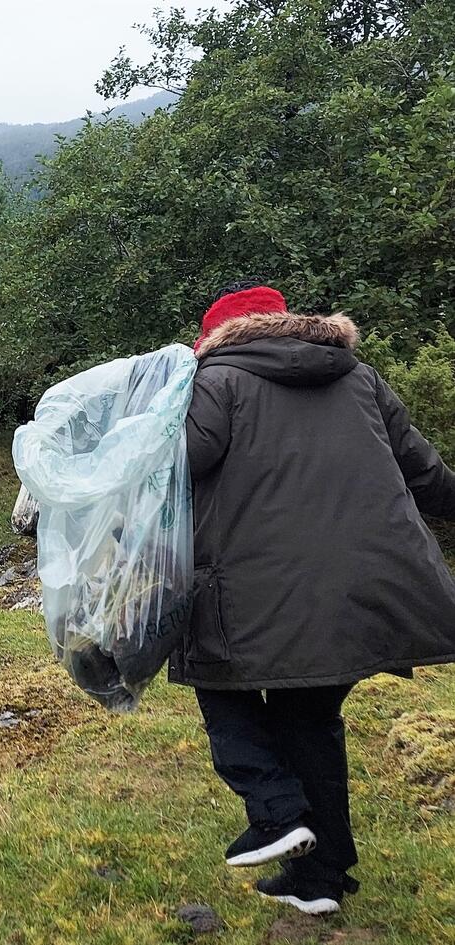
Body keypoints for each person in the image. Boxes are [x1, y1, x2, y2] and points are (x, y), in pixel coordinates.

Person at [174, 281, 455, 916]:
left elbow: (183, 460)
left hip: (256, 591)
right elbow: (425, 473)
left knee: (217, 679)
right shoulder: (360, 378)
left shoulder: (216, 382)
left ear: (215, 339)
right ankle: (322, 876)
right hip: (364, 591)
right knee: (309, 721)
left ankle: (275, 813)